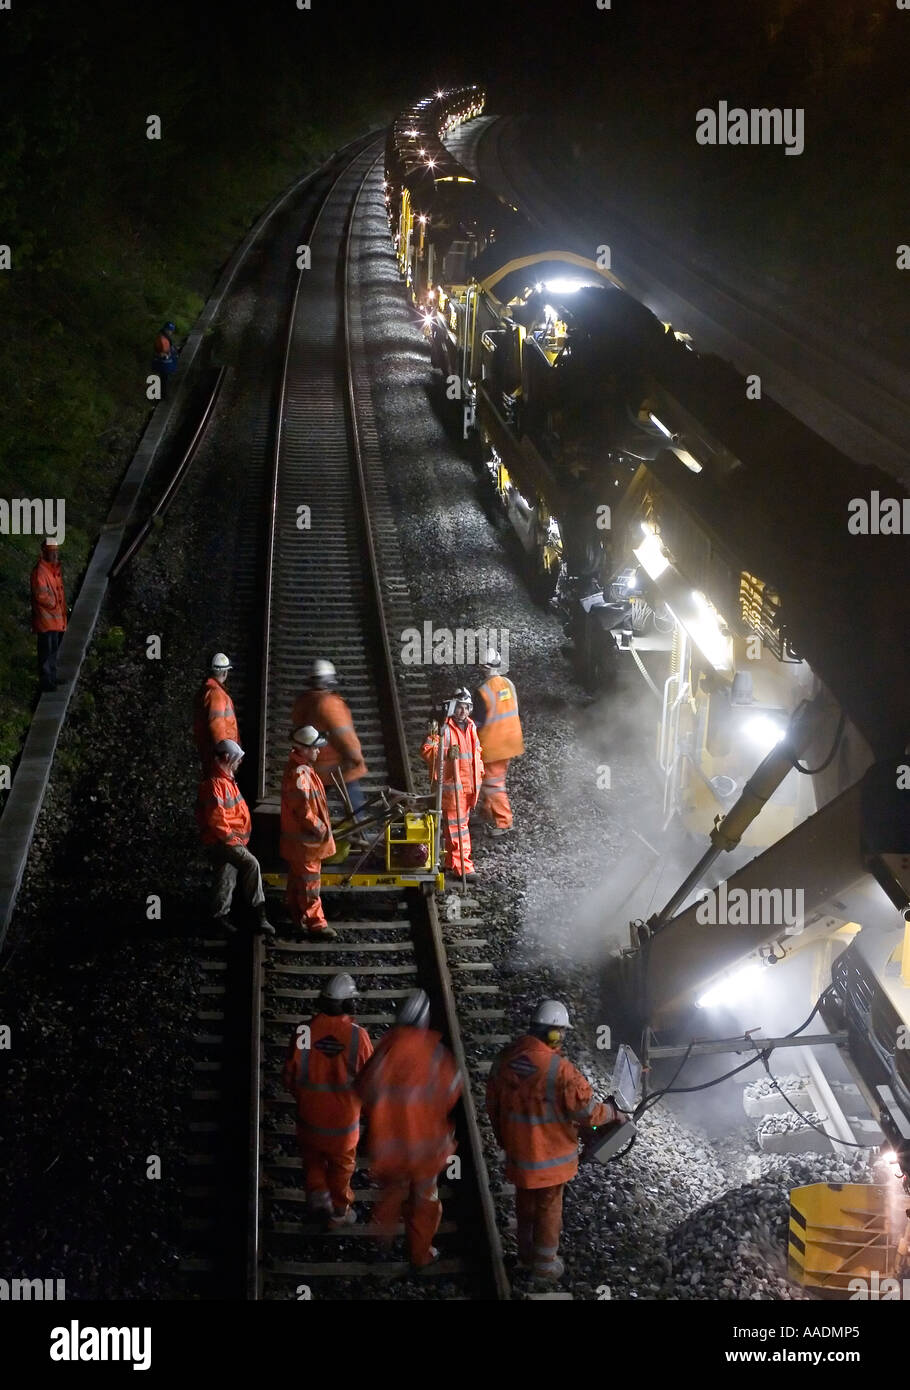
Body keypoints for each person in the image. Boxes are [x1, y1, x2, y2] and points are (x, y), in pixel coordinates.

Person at [486, 1000, 624, 1281]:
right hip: (550, 1160)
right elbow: (588, 1113)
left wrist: (505, 1140)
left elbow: (493, 1105)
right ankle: (545, 1264)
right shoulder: (559, 1070)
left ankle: (525, 1257)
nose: (562, 1037)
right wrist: (613, 1113)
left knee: (524, 1206)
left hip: (519, 1155)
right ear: (553, 1033)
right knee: (548, 1208)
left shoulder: (505, 1058)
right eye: (561, 1032)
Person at [354, 990, 462, 1273]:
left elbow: (364, 1091)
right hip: (427, 1151)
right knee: (425, 1202)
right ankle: (420, 1254)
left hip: (390, 1149)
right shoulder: (436, 1053)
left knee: (389, 1198)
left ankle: (380, 1247)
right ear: (424, 1020)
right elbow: (453, 1093)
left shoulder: (385, 1051)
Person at [282, 972, 373, 1225]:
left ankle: (318, 1195)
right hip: (343, 1127)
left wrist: (305, 1098)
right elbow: (370, 1084)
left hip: (309, 1120)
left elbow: (289, 1077)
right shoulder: (358, 1036)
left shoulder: (303, 1031)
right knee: (342, 1167)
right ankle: (339, 1211)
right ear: (349, 1004)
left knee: (312, 1159)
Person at [196, 739, 275, 935]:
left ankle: (218, 916)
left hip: (227, 839)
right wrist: (234, 840)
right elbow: (217, 820)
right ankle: (259, 916)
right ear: (227, 758)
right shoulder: (215, 784)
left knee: (226, 873)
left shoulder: (226, 780)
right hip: (223, 840)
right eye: (237, 759)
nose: (239, 763)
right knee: (251, 864)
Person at [291, 659, 369, 823]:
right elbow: (344, 736)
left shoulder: (302, 701)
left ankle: (317, 836)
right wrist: (356, 759)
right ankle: (359, 838)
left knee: (314, 808)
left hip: (315, 767)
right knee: (356, 812)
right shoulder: (329, 704)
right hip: (340, 768)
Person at [280, 725, 338, 940]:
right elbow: (304, 812)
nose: (319, 751)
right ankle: (317, 924)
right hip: (306, 844)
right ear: (303, 749)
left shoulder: (303, 769)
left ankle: (298, 919)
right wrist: (321, 828)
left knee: (298, 881)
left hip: (302, 843)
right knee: (310, 884)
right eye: (315, 748)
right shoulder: (299, 775)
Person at [420, 687, 483, 881]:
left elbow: (476, 753)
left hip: (469, 787)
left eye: (466, 707)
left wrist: (479, 774)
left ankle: (450, 862)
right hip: (451, 787)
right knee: (458, 827)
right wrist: (445, 755)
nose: (462, 711)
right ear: (452, 707)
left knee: (457, 827)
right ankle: (463, 867)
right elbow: (427, 750)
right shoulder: (442, 727)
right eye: (459, 707)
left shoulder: (471, 726)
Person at [473, 648, 524, 836]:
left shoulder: (482, 690)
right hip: (510, 741)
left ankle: (504, 822)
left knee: (493, 783)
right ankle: (486, 813)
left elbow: (478, 721)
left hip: (493, 745)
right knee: (490, 780)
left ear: (482, 666)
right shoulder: (509, 684)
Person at [30, 539, 67, 692]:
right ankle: (46, 681)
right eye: (52, 552)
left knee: (52, 650)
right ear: (45, 553)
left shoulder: (52, 570)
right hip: (46, 620)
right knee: (46, 651)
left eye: (56, 552)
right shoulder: (41, 571)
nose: (54, 555)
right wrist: (55, 605)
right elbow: (41, 595)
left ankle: (51, 677)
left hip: (53, 619)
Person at [193, 653, 238, 774]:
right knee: (221, 790)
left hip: (214, 754)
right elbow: (216, 725)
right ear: (225, 673)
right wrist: (226, 754)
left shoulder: (208, 690)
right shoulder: (216, 694)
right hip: (220, 758)